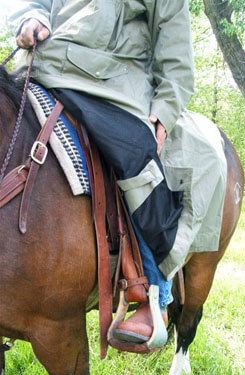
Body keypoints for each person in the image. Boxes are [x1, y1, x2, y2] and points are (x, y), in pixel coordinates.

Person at [10, 1, 227, 345]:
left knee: (134, 155)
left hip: (109, 83)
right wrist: (31, 17)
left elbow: (176, 56)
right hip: (40, 64)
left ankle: (150, 287)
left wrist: (164, 111)